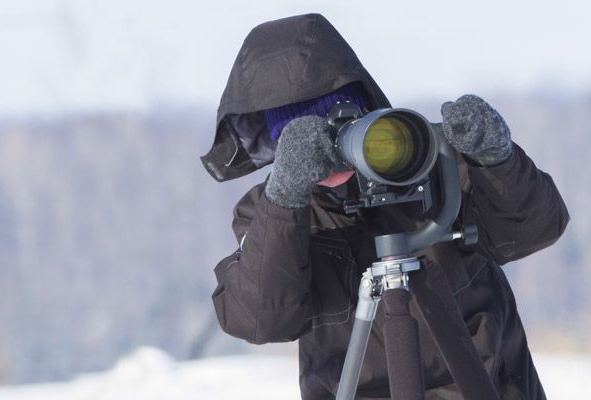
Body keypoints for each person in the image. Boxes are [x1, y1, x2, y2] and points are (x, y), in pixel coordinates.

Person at [200, 13, 569, 400]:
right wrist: (286, 196)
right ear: (282, 148)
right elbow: (260, 320)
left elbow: (535, 230)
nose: (331, 154)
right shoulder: (273, 210)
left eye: (343, 127)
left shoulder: (432, 166)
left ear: (366, 114)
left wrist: (497, 160)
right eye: (305, 142)